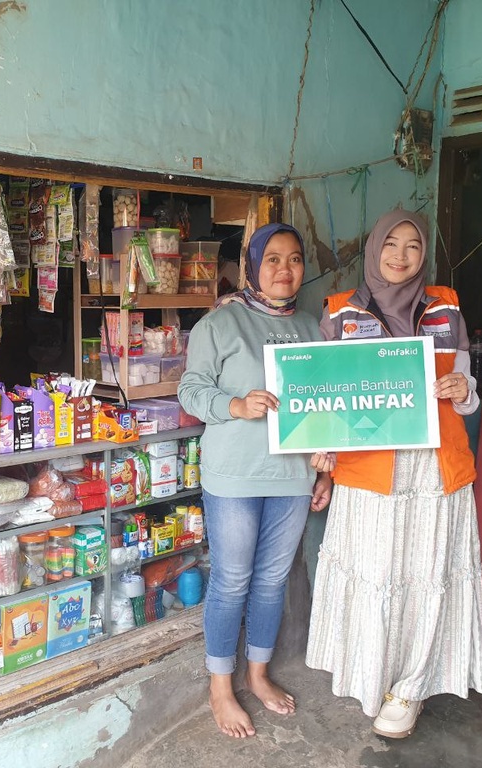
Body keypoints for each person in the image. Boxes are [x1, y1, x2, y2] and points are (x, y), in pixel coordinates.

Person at [304, 208, 482, 739]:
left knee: (427, 575)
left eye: (412, 246)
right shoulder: (341, 314)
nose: (401, 256)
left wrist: (463, 390)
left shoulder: (445, 307)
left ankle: (411, 686)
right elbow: (323, 398)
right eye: (391, 244)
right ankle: (373, 674)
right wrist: (320, 453)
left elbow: (466, 390)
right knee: (377, 573)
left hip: (433, 470)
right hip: (371, 473)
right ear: (373, 250)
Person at [178, 223, 333, 739]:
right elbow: (191, 390)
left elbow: (326, 407)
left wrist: (325, 466)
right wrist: (237, 405)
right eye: (272, 260)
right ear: (253, 266)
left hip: (292, 477)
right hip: (235, 477)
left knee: (271, 582)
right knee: (232, 582)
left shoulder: (314, 327)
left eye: (293, 259)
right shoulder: (220, 325)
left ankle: (258, 676)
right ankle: (220, 689)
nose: (284, 270)